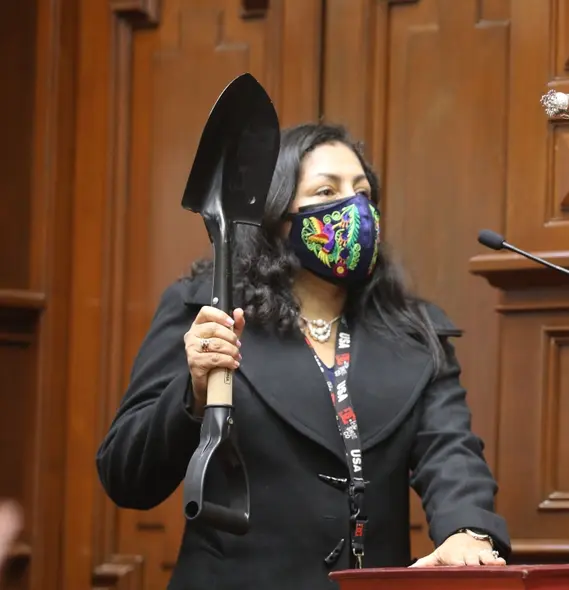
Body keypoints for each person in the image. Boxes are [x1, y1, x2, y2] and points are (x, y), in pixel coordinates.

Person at [96, 123, 510, 589]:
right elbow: (126, 475)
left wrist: (467, 531)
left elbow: (450, 450)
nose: (354, 208)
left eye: (362, 192)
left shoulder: (414, 331)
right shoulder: (206, 312)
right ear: (277, 215)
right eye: (326, 191)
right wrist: (191, 393)